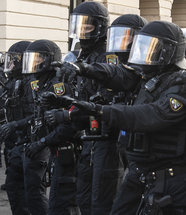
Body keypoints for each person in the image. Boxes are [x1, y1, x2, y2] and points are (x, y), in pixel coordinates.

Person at [50, 20, 186, 215]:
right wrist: (83, 68)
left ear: (169, 52)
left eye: (152, 48)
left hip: (170, 179)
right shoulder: (148, 77)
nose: (145, 54)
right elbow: (117, 72)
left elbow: (150, 116)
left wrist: (100, 110)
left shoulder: (181, 85)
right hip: (139, 173)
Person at [66, 2, 124, 214]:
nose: (81, 31)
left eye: (86, 26)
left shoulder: (108, 56)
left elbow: (109, 96)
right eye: (78, 26)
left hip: (106, 138)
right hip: (88, 136)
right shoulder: (84, 55)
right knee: (83, 197)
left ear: (99, 27)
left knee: (102, 200)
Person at [0, 40, 32, 214]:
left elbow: (37, 114)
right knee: (13, 186)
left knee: (32, 192)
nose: (10, 64)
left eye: (14, 60)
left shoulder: (32, 82)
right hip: (16, 140)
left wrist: (16, 124)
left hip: (30, 141)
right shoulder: (14, 81)